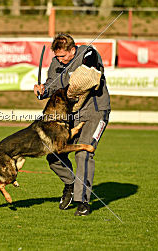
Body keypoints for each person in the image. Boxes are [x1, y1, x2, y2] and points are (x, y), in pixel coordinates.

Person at [33, 33, 110, 216]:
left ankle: (83, 201)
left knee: (83, 153)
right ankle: (70, 183)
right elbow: (52, 87)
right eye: (57, 56)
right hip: (70, 115)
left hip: (95, 112)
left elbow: (91, 71)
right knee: (53, 155)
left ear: (73, 50)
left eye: (63, 56)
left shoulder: (87, 53)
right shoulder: (56, 63)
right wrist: (42, 90)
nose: (60, 60)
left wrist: (77, 76)